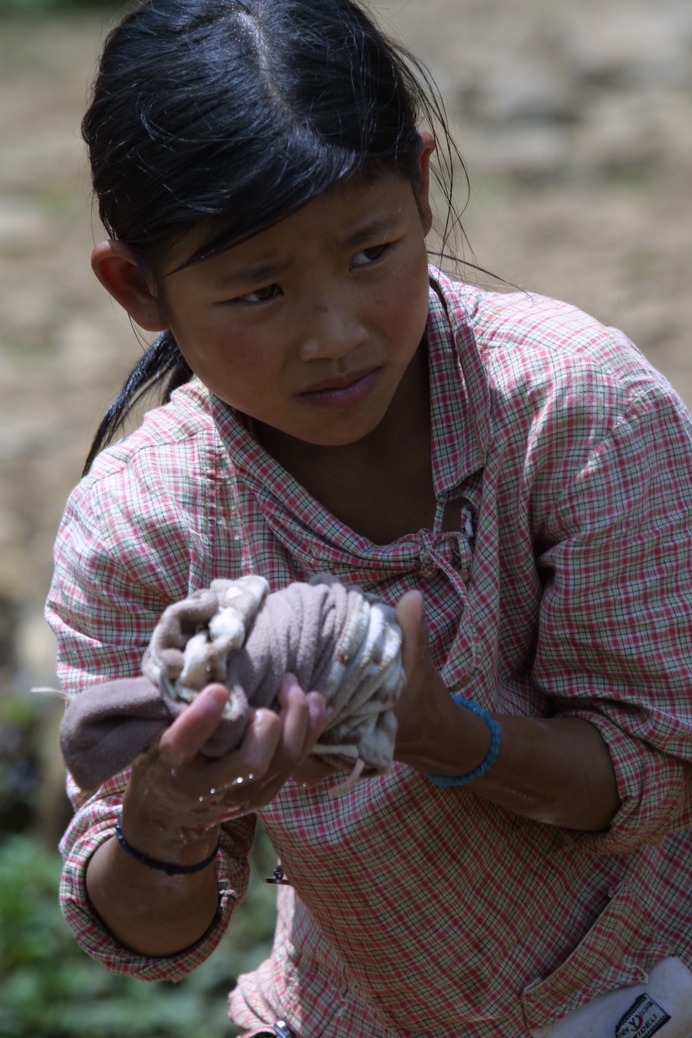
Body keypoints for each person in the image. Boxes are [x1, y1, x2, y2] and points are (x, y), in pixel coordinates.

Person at [45, 0, 692, 1035]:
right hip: (352, 1009)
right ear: (138, 288)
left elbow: (655, 778)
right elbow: (151, 937)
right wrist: (170, 812)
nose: (332, 335)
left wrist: (443, 735)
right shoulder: (144, 525)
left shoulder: (575, 411)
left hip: (639, 983)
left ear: (421, 191)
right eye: (258, 291)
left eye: (367, 254)